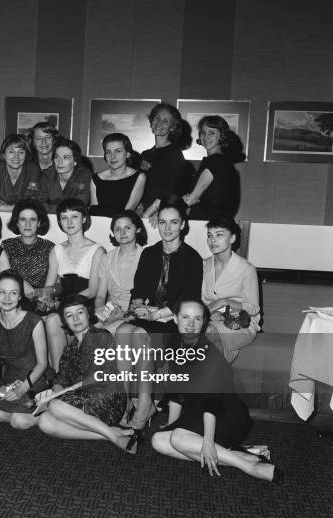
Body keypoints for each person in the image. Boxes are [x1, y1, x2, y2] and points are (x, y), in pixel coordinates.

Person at [151, 299, 283, 484]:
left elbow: (211, 402)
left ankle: (248, 466)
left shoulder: (208, 353)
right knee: (159, 441)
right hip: (197, 410)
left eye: (197, 319)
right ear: (175, 318)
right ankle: (238, 454)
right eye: (185, 317)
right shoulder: (174, 342)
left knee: (179, 440)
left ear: (204, 322)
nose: (190, 324)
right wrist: (173, 424)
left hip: (225, 413)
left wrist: (208, 442)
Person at [115, 195, 203, 431]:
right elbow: (139, 290)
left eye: (173, 222)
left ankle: (144, 404)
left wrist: (154, 314)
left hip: (172, 322)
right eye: (162, 222)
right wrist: (137, 304)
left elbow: (187, 301)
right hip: (146, 317)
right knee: (123, 330)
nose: (167, 228)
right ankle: (123, 402)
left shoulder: (192, 258)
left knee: (140, 336)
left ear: (183, 224)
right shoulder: (150, 253)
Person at [36, 295, 138, 453]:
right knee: (44, 421)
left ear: (88, 314)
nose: (75, 318)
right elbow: (61, 377)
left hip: (108, 398)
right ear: (65, 322)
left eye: (80, 312)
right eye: (69, 315)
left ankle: (115, 437)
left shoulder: (100, 336)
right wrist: (56, 389)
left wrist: (66, 392)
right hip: (81, 399)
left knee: (55, 406)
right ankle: (111, 434)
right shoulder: (71, 348)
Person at [41, 199, 105, 370]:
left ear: (84, 219)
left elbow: (92, 290)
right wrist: (44, 297)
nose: (69, 222)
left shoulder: (97, 250)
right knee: (52, 319)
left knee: (57, 318)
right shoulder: (56, 250)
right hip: (63, 305)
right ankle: (58, 378)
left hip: (85, 304)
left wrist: (65, 306)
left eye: (74, 217)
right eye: (64, 218)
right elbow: (49, 286)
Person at [0, 271, 50, 429]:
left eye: (13, 293)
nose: (7, 298)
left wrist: (23, 388)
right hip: (10, 381)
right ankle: (31, 411)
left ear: (20, 296)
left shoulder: (34, 321)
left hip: (35, 381)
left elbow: (42, 364)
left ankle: (47, 409)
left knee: (18, 422)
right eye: (2, 292)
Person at [201, 218, 259, 362]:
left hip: (241, 321)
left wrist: (225, 302)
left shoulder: (246, 269)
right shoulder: (202, 265)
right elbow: (197, 299)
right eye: (210, 235)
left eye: (219, 235)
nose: (212, 240)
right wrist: (210, 312)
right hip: (209, 318)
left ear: (232, 238)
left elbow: (253, 308)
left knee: (208, 331)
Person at [94, 211, 147, 335]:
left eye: (127, 228)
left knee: (99, 335)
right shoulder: (106, 258)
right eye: (117, 229)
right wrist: (101, 310)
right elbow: (100, 296)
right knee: (88, 332)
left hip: (136, 314)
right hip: (111, 313)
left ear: (138, 229)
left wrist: (125, 314)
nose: (122, 232)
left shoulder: (147, 257)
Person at [141, 103, 193, 226]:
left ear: (172, 127)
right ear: (151, 121)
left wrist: (150, 212)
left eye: (165, 121)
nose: (159, 123)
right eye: (157, 118)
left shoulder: (174, 155)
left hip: (158, 217)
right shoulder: (145, 154)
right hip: (143, 213)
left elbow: (169, 190)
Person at [182, 115, 243, 220]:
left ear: (222, 136)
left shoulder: (215, 161)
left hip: (205, 225)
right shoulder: (223, 162)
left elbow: (191, 199)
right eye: (203, 132)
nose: (206, 137)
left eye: (212, 133)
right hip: (216, 224)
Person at [1, 199, 55, 309]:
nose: (28, 224)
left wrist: (42, 293)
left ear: (39, 223)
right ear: (17, 222)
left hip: (41, 301)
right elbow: (2, 278)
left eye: (33, 219)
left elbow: (57, 285)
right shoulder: (6, 245)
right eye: (23, 219)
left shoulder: (50, 247)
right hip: (12, 300)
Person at [89, 133, 146, 217]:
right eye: (108, 152)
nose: (112, 156)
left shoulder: (139, 177)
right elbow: (94, 212)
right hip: (99, 225)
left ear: (127, 154)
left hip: (123, 226)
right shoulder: (96, 178)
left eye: (118, 151)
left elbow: (126, 212)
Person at [0, 134, 41, 211]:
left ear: (26, 155)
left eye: (21, 152)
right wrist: (18, 207)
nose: (16, 157)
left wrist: (4, 207)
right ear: (4, 155)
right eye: (11, 152)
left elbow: (32, 202)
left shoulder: (33, 170)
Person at [37, 138, 91, 212]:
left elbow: (79, 206)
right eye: (57, 157)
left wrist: (51, 208)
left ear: (75, 161)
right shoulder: (48, 174)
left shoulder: (84, 176)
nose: (60, 162)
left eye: (65, 157)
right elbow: (39, 203)